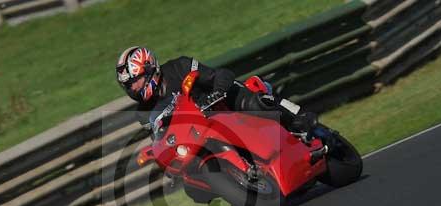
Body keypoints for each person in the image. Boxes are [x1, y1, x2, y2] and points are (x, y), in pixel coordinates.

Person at [115, 46, 324, 144]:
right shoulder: (144, 114)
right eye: (128, 85)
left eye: (135, 81)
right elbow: (161, 140)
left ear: (150, 68)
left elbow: (220, 74)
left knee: (255, 102)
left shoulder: (179, 67)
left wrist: (216, 93)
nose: (133, 88)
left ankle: (299, 121)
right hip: (202, 133)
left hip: (224, 101)